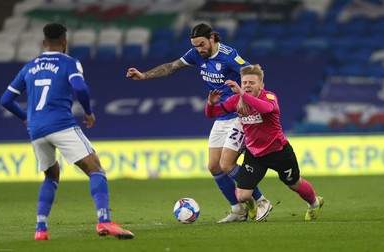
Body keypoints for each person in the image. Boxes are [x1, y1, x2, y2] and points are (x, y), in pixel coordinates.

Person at [0, 23, 134, 240]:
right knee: (96, 169)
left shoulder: (29, 67)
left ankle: (41, 229)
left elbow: (5, 100)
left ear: (44, 43)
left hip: (36, 129)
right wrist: (88, 112)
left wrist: (25, 117)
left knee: (51, 176)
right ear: (64, 42)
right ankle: (104, 221)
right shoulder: (69, 62)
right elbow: (80, 87)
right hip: (60, 123)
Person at [126, 23, 272, 222]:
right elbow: (172, 67)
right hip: (221, 116)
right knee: (214, 167)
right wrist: (144, 76)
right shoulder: (196, 54)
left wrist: (245, 97)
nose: (199, 49)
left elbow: (251, 75)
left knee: (227, 164)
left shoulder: (229, 55)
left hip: (238, 116)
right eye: (195, 46)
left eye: (202, 44)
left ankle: (262, 201)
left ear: (212, 38)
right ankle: (238, 210)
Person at [205, 64, 324, 221]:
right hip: (255, 154)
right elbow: (211, 114)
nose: (247, 85)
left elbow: (266, 109)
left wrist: (242, 94)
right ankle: (257, 204)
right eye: (244, 82)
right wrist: (211, 103)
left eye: (252, 83)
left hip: (278, 152)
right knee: (242, 196)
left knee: (294, 184)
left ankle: (314, 203)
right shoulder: (236, 101)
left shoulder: (269, 97)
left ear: (261, 85)